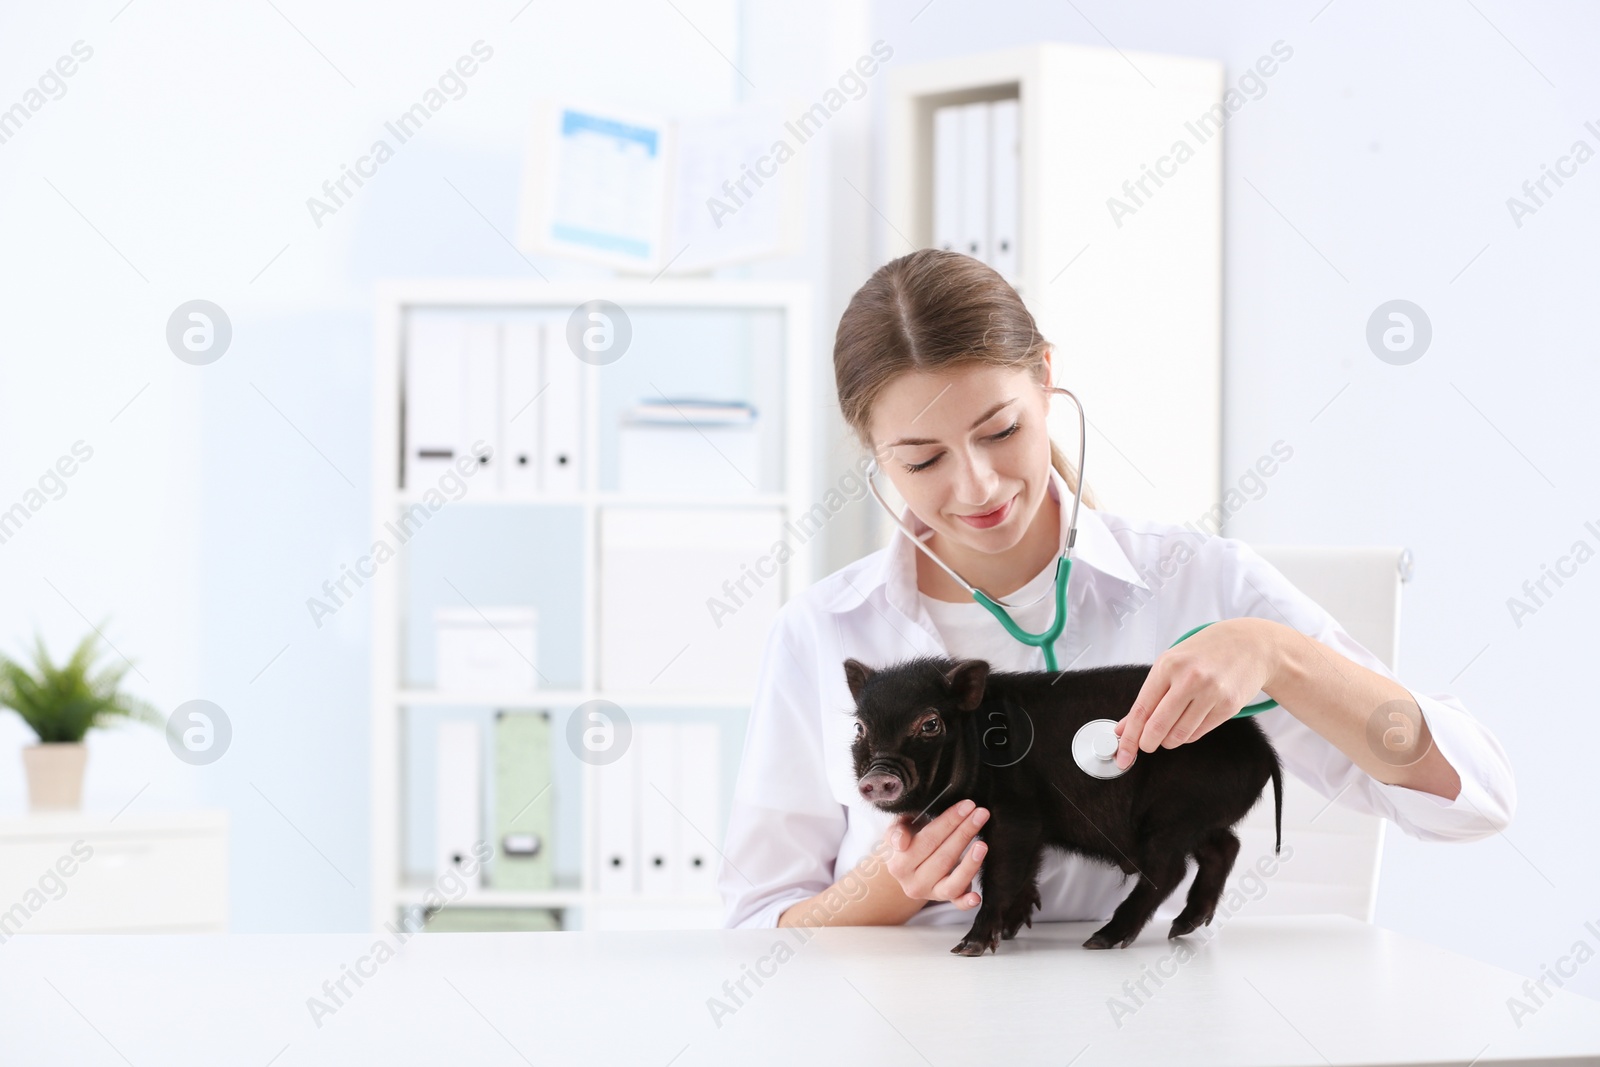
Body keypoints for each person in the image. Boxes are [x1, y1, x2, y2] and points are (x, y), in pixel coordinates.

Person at [716, 248, 1516, 933]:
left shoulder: (1199, 584)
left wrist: (1282, 658)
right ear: (875, 455)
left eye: (1002, 431)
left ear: (1046, 380)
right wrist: (889, 886)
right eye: (922, 460)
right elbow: (758, 926)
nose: (978, 484)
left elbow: (1469, 798)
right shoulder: (824, 631)